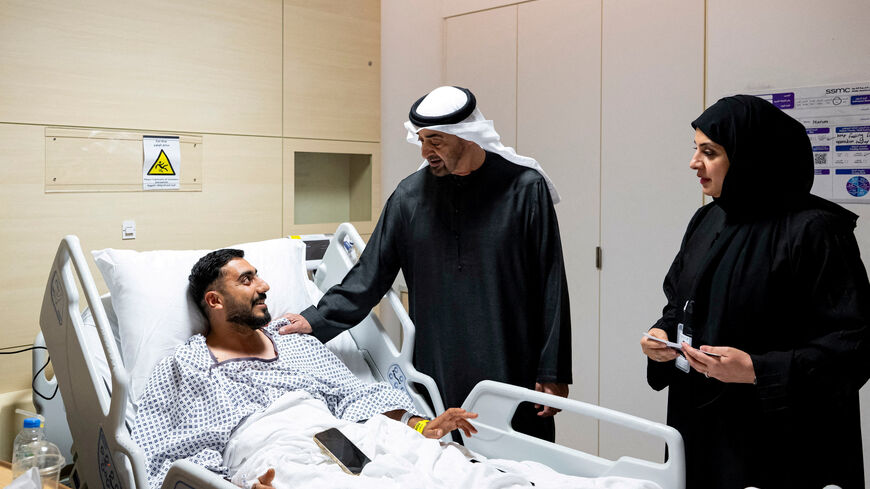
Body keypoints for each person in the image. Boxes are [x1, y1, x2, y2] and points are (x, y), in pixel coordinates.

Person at [278, 86, 572, 442]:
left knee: (527, 461)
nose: (425, 151)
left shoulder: (524, 189)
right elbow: (370, 274)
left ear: (466, 135)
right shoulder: (409, 197)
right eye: (420, 140)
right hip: (441, 359)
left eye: (436, 141)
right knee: (451, 461)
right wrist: (315, 319)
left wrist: (553, 369)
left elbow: (551, 282)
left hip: (513, 356)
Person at [640, 95, 870, 489]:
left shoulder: (814, 231)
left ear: (749, 157)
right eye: (696, 150)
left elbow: (854, 347)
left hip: (779, 441)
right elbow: (681, 302)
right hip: (701, 422)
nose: (694, 163)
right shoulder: (709, 218)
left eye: (709, 152)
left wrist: (756, 371)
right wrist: (663, 334)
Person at [131, 249, 478, 489]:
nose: (264, 286)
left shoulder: (294, 341)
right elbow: (169, 453)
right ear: (215, 300)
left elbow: (356, 396)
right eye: (247, 280)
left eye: (259, 277)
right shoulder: (187, 365)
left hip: (346, 438)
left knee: (454, 471)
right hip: (273, 457)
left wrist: (419, 424)